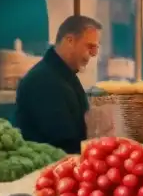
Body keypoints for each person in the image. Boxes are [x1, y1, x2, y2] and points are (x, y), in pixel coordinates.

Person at [16, 15, 102, 154]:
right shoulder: (43, 81)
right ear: (70, 41)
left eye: (96, 49)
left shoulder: (66, 74)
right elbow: (63, 142)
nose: (93, 54)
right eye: (90, 47)